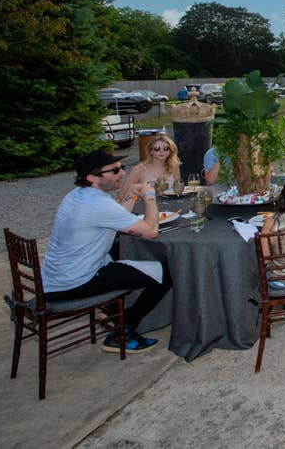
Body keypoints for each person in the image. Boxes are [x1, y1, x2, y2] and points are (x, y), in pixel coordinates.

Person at [42, 150, 170, 352]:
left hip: (56, 277)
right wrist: (150, 197)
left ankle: (112, 311)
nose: (122, 174)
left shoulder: (78, 195)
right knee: (167, 273)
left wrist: (131, 195)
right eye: (115, 170)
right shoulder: (99, 204)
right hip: (78, 281)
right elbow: (151, 231)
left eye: (122, 168)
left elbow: (118, 216)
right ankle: (124, 328)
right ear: (92, 177)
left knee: (118, 250)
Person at [118, 134, 182, 201]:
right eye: (157, 148)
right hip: (143, 206)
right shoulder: (140, 169)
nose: (161, 151)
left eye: (166, 148)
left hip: (168, 206)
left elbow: (177, 189)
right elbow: (122, 195)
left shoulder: (174, 167)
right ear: (151, 151)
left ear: (171, 151)